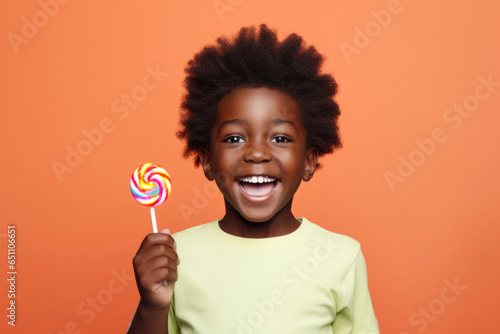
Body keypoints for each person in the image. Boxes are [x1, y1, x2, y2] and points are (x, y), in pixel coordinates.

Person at [128, 24, 379, 334]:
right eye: (234, 139)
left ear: (309, 162)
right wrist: (152, 305)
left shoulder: (341, 257)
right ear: (207, 161)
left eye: (281, 138)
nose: (256, 154)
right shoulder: (174, 257)